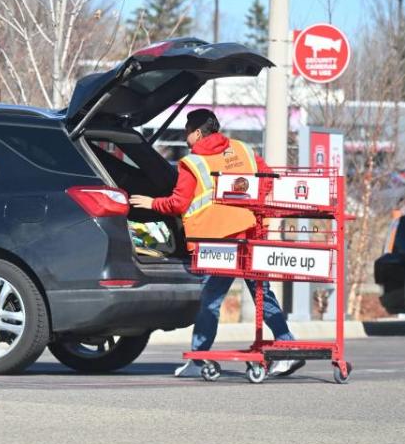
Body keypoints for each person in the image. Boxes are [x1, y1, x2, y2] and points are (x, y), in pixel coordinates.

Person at [129, 109, 304, 378]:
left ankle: (199, 360)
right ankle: (287, 345)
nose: (186, 137)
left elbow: (178, 204)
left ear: (197, 133)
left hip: (217, 243)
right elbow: (268, 181)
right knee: (261, 293)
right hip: (250, 234)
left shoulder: (192, 163)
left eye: (187, 131)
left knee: (210, 300)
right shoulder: (243, 150)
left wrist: (150, 203)